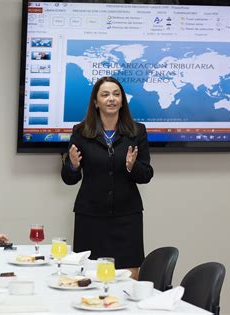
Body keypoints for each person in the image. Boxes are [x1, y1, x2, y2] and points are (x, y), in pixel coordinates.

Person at [61, 76, 154, 280]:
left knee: (129, 279)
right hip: (91, 217)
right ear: (96, 102)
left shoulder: (137, 131)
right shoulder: (81, 131)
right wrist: (73, 165)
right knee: (89, 278)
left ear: (122, 100)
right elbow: (68, 178)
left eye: (116, 94)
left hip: (127, 217)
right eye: (105, 94)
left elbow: (146, 174)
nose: (111, 98)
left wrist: (132, 166)